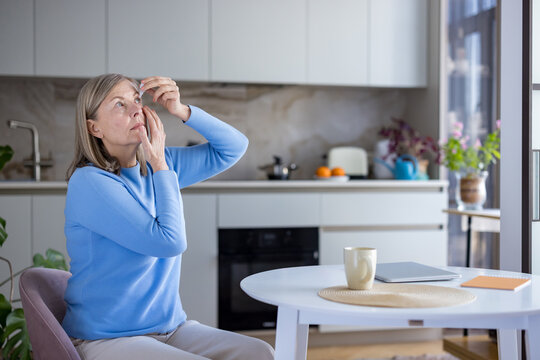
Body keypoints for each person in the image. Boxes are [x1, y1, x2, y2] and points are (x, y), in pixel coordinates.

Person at [62, 74, 274, 360]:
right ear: (94, 127)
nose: (136, 109)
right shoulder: (90, 182)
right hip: (105, 339)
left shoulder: (158, 166)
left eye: (136, 100)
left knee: (261, 352)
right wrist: (160, 165)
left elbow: (234, 147)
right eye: (119, 105)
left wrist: (181, 110)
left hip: (169, 329)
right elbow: (169, 242)